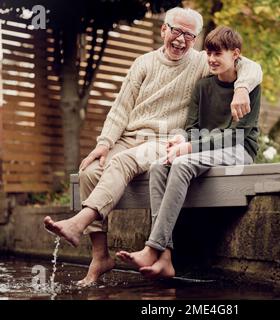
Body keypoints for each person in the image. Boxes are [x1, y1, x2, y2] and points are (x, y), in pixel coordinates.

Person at [43, 7, 262, 286]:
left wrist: (242, 88)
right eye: (176, 31)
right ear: (163, 30)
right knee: (90, 172)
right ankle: (100, 257)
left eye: (188, 35)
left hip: (164, 140)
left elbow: (248, 65)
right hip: (130, 138)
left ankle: (78, 222)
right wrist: (104, 143)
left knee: (122, 163)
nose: (181, 40)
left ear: (194, 39)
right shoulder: (142, 63)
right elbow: (121, 108)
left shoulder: (201, 61)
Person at [116, 26, 261, 279]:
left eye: (219, 54)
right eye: (209, 54)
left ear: (235, 54)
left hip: (239, 149)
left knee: (182, 164)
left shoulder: (248, 88)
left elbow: (236, 135)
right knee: (160, 165)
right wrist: (181, 139)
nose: (212, 60)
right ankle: (166, 258)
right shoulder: (202, 86)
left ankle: (152, 248)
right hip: (205, 151)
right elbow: (192, 127)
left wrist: (191, 147)